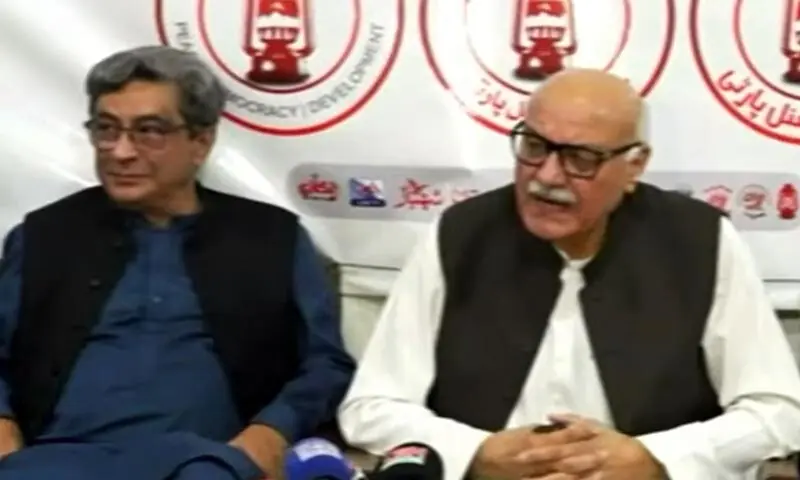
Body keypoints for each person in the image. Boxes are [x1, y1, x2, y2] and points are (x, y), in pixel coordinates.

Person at [337, 68, 800, 480]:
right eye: (534, 147)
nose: (547, 177)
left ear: (634, 166)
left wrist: (656, 459)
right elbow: (371, 408)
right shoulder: (458, 234)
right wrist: (476, 453)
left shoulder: (700, 239)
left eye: (581, 158)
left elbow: (779, 411)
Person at [0, 45, 355, 479]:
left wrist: (269, 432)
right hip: (51, 462)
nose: (120, 151)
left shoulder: (272, 238)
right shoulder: (44, 235)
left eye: (149, 131)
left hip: (205, 462)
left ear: (201, 142)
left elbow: (326, 364)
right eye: (106, 129)